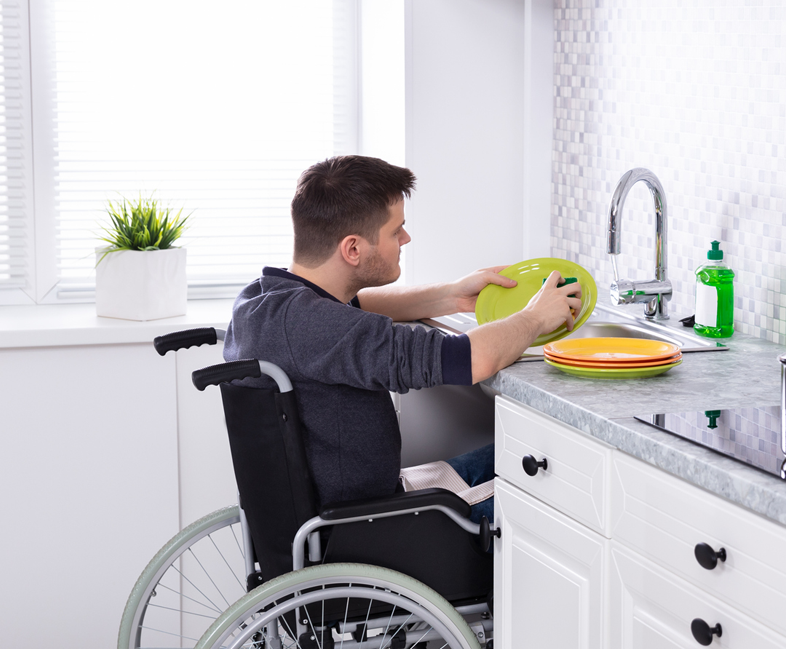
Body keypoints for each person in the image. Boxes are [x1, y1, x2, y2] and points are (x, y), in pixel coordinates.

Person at [224, 155, 581, 524]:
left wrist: (451, 295)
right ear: (353, 249)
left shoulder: (264, 301)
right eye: (396, 231)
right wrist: (536, 316)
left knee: (515, 452)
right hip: (373, 528)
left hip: (338, 514)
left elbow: (359, 305)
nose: (406, 238)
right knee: (562, 480)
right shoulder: (325, 328)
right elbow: (470, 359)